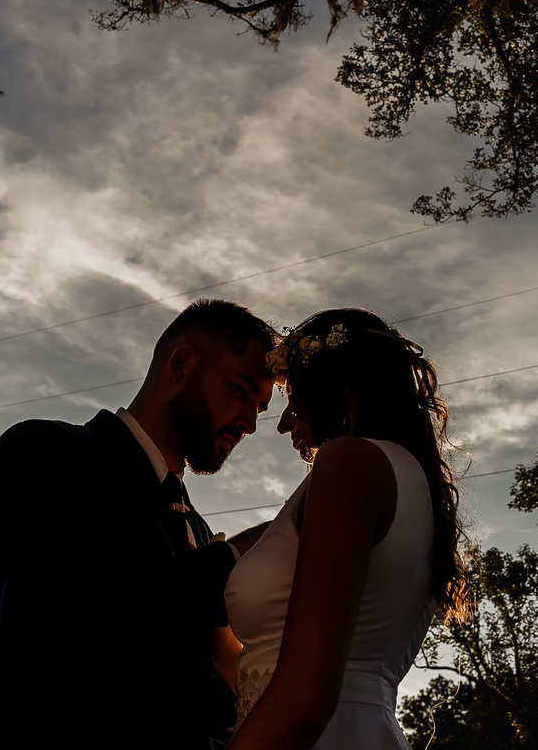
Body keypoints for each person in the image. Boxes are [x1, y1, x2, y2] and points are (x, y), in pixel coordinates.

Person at [0, 298, 277, 750]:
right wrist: (230, 560)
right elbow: (39, 635)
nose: (250, 422)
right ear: (183, 363)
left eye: (261, 407)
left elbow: (192, 702)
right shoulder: (44, 454)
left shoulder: (195, 525)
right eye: (240, 390)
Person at [223, 308, 469, 750]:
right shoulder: (410, 482)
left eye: (294, 396)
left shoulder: (350, 462)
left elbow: (306, 699)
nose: (283, 422)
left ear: (345, 390)